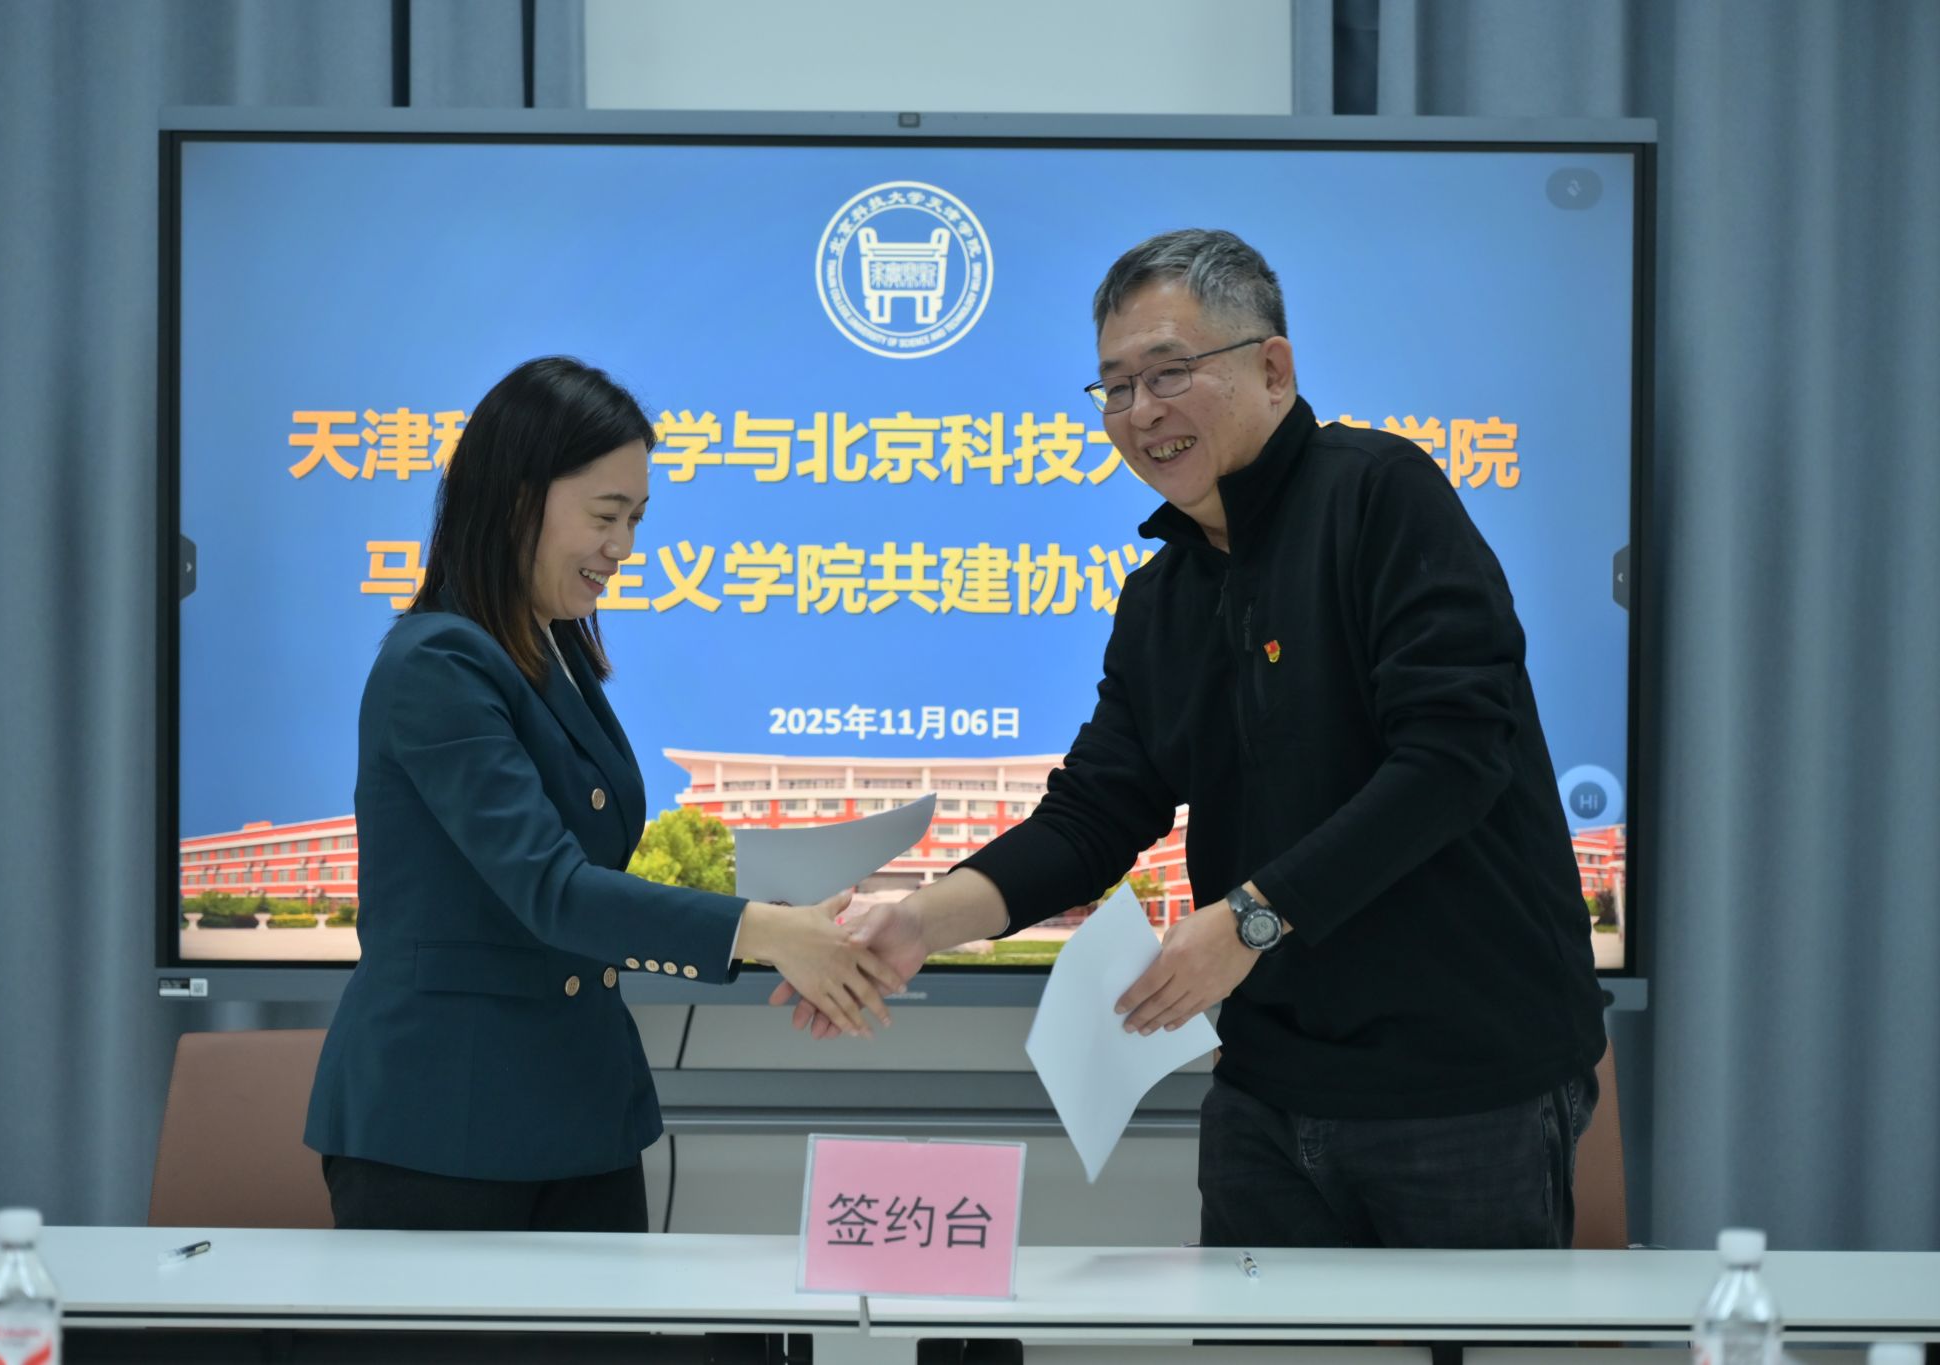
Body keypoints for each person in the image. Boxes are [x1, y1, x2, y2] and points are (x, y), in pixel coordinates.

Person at [778, 229, 1609, 1250]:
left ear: (1273, 368)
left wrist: (1250, 918)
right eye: (1116, 387)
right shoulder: (1160, 598)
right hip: (1265, 1095)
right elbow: (1093, 813)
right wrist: (916, 924)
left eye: (1169, 372)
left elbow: (1452, 759)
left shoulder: (1378, 495)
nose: (1140, 413)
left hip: (1460, 1088)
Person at [306, 356, 901, 1232]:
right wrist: (769, 934)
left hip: (577, 1113)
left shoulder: (551, 649)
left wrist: (781, 921)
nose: (623, 547)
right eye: (605, 515)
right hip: (443, 1121)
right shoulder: (437, 663)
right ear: (517, 498)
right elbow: (551, 888)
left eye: (636, 519)